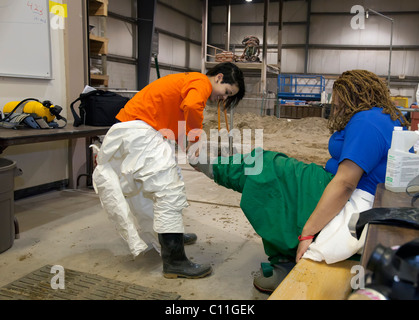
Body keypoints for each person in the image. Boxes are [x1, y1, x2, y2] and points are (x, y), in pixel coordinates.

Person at [190, 69, 409, 292]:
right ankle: (218, 167)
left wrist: (308, 232)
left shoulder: (367, 121)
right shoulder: (376, 116)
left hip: (349, 192)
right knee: (269, 164)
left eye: (339, 100)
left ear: (353, 94)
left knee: (267, 171)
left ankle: (284, 257)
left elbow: (345, 184)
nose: (336, 106)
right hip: (333, 179)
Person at [92, 62, 245, 279]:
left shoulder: (189, 82)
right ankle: (174, 262)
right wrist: (195, 139)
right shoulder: (201, 83)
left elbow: (178, 123)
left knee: (155, 192)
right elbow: (192, 108)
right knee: (169, 193)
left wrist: (192, 151)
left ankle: (170, 237)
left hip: (138, 130)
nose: (224, 98)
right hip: (142, 132)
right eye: (227, 92)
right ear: (219, 77)